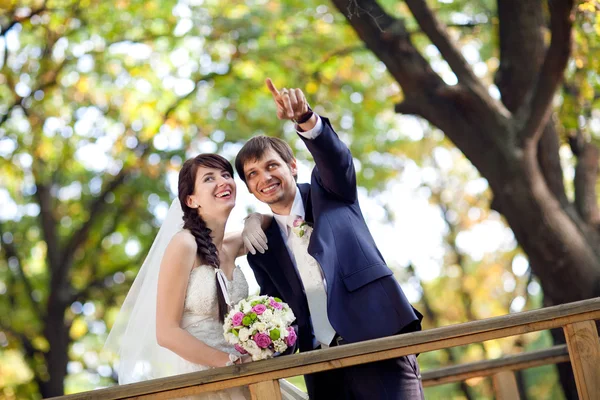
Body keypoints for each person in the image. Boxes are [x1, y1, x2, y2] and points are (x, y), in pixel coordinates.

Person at [236, 79, 425, 399]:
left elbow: (336, 160)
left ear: (292, 167)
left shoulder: (331, 194)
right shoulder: (261, 247)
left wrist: (305, 119)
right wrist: (259, 346)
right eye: (252, 174)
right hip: (319, 366)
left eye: (271, 166)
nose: (264, 177)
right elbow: (281, 314)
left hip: (378, 344)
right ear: (250, 188)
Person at [104, 154, 304, 400]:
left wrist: (253, 220)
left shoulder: (230, 245)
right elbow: (166, 332)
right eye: (209, 178)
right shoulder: (184, 244)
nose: (223, 182)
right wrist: (231, 362)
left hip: (244, 372)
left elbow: (271, 220)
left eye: (226, 175)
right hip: (205, 378)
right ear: (191, 199)